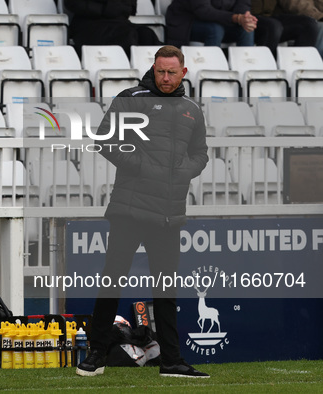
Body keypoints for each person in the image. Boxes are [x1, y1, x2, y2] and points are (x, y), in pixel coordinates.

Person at [76, 45, 210, 378]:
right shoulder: (131, 97)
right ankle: (96, 356)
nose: (165, 77)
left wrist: (183, 172)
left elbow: (201, 154)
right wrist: (142, 167)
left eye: (172, 72)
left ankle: (172, 361)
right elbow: (105, 140)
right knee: (112, 281)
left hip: (169, 214)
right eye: (160, 71)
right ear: (154, 68)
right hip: (129, 209)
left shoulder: (192, 109)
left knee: (166, 290)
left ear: (183, 73)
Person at [63, 0, 162, 58]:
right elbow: (72, 3)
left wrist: (120, 7)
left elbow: (130, 6)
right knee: (127, 36)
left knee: (147, 35)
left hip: (119, 22)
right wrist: (104, 9)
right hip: (89, 24)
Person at [166, 0, 257, 47]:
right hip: (186, 24)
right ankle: (212, 73)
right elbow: (204, 11)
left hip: (221, 22)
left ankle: (245, 72)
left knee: (247, 28)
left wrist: (245, 18)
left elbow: (243, 5)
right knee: (215, 29)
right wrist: (236, 18)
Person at [252, 0, 318, 56]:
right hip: (248, 17)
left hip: (270, 16)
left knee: (309, 25)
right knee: (273, 26)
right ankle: (264, 66)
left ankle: (298, 67)